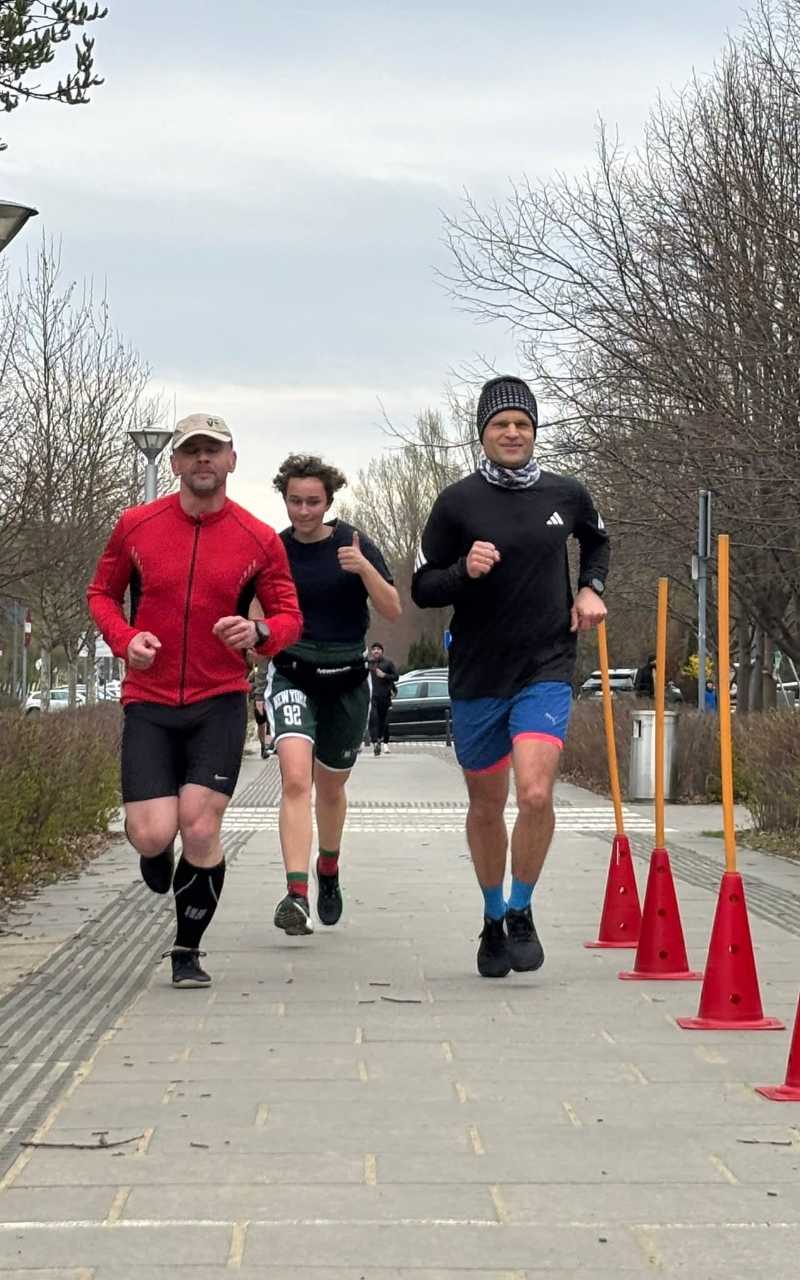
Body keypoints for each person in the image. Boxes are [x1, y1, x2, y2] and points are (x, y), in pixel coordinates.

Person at [87, 414, 302, 988]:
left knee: (201, 827)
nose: (203, 460)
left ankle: (187, 949)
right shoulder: (136, 526)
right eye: (192, 452)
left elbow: (287, 617)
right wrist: (125, 639)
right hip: (150, 701)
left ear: (232, 460)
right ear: (177, 464)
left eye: (214, 450)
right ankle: (154, 852)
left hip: (218, 699)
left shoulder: (257, 539)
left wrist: (259, 635)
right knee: (154, 832)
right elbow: (101, 594)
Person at [411, 375, 609, 979]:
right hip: (477, 672)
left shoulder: (567, 493)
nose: (513, 433)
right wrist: (464, 571)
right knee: (487, 804)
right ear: (483, 434)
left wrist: (589, 588)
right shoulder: (457, 503)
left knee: (537, 792)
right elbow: (422, 587)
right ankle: (492, 916)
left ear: (534, 430)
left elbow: (597, 542)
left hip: (545, 664)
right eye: (501, 424)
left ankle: (521, 910)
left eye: (522, 423)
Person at [267, 454, 401, 935]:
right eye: (295, 501)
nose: (303, 511)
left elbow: (392, 607)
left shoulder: (354, 542)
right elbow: (249, 613)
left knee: (330, 787)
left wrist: (363, 568)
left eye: (313, 502)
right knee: (296, 780)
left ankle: (328, 867)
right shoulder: (273, 548)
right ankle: (296, 893)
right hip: (293, 672)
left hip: (346, 676)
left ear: (329, 502)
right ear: (284, 498)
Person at [368, 641, 398, 756]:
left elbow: (396, 677)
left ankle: (381, 740)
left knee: (383, 722)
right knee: (373, 719)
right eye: (374, 649)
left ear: (382, 651)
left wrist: (384, 675)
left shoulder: (388, 663)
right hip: (372, 697)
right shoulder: (369, 663)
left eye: (378, 649)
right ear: (371, 652)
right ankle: (375, 742)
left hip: (384, 698)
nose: (376, 651)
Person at [249, 655, 274, 758]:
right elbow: (259, 671)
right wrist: (258, 695)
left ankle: (268, 746)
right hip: (261, 690)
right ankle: (264, 746)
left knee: (268, 721)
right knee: (261, 721)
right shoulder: (262, 654)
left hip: (272, 689)